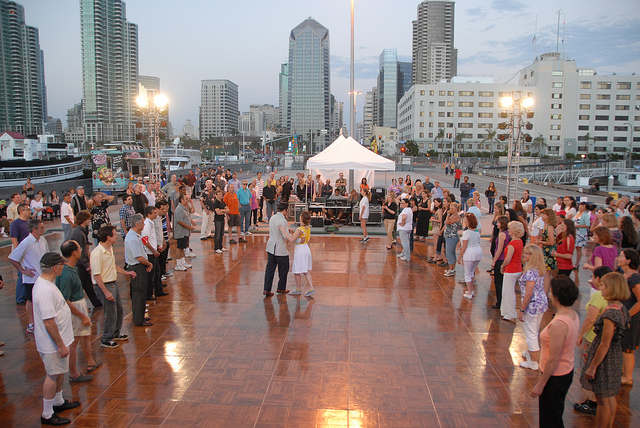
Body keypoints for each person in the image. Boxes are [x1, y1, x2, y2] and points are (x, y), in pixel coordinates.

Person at [32, 252, 80, 426]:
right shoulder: (44, 289)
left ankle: (58, 401)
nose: (63, 267)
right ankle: (46, 413)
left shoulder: (48, 284)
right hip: (52, 344)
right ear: (55, 267)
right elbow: (49, 322)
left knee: (59, 372)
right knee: (52, 375)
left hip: (59, 341)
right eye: (61, 264)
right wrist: (60, 345)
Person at [580, 272, 630, 428]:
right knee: (610, 397)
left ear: (611, 288)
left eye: (602, 285)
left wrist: (593, 366)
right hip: (614, 356)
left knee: (602, 400)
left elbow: (605, 343)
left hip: (605, 359)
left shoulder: (610, 314)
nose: (600, 288)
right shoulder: (621, 308)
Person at [531, 276, 580, 427]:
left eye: (551, 292)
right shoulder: (572, 314)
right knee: (554, 414)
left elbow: (553, 359)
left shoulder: (559, 324)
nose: (549, 295)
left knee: (550, 419)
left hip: (555, 376)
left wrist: (540, 383)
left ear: (557, 296)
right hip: (565, 370)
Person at [57, 240, 99, 382]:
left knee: (86, 335)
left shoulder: (72, 268)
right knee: (74, 341)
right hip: (74, 309)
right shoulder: (66, 273)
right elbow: (66, 299)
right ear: (74, 252)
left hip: (79, 305)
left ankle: (90, 361)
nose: (82, 249)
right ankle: (74, 373)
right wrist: (82, 315)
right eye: (79, 247)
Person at [574, 265, 613, 416]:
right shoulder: (612, 295)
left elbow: (590, 318)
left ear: (599, 279)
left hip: (593, 337)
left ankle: (592, 401)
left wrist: (580, 335)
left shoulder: (598, 296)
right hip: (603, 337)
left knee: (589, 366)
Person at [90, 225, 135, 348]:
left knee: (119, 310)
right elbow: (97, 275)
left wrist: (127, 272)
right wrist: (105, 292)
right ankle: (106, 338)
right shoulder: (97, 253)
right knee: (110, 312)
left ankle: (115, 333)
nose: (117, 236)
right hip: (104, 285)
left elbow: (113, 265)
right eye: (114, 234)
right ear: (108, 237)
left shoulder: (109, 248)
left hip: (112, 283)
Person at [9, 219, 48, 334]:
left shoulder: (43, 240)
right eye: (41, 227)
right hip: (31, 278)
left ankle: (41, 321)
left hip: (43, 276)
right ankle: (31, 324)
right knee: (30, 300)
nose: (43, 229)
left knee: (42, 300)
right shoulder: (27, 242)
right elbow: (12, 258)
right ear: (34, 229)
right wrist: (22, 270)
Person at [518, 244, 549, 370]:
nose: (524, 256)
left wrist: (522, 309)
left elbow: (529, 292)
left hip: (532, 304)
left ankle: (534, 362)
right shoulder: (539, 270)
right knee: (534, 330)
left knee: (530, 332)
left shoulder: (530, 272)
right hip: (541, 302)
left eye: (527, 254)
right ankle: (532, 353)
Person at [68, 211, 102, 309]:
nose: (89, 221)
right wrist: (87, 264)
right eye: (88, 219)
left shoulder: (80, 230)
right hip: (80, 264)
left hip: (81, 263)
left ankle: (96, 302)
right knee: (84, 284)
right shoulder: (79, 232)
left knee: (86, 284)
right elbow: (80, 251)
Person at [126, 214, 154, 326]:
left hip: (140, 266)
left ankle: (140, 315)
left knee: (142, 293)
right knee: (138, 294)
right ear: (137, 224)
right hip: (137, 267)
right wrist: (149, 263)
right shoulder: (132, 238)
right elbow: (138, 257)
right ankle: (138, 319)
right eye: (142, 222)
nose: (144, 224)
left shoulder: (136, 235)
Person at [618, 249, 640, 387]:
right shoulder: (623, 275)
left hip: (631, 318)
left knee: (628, 348)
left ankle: (628, 376)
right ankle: (623, 373)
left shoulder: (634, 279)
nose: (619, 258)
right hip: (623, 315)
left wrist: (627, 316)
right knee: (623, 345)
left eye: (621, 256)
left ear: (628, 260)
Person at [263, 201, 295, 296]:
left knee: (270, 270)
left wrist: (287, 230)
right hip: (280, 249)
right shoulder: (283, 220)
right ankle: (281, 288)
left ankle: (266, 289)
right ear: (285, 210)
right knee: (284, 270)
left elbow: (276, 229)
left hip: (270, 247)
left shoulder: (273, 217)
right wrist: (295, 235)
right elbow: (286, 236)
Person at [500, 221, 525, 323]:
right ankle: (507, 312)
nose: (508, 230)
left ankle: (509, 313)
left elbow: (508, 259)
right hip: (518, 268)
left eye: (510, 229)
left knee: (508, 292)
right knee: (510, 291)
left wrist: (502, 266)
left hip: (510, 269)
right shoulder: (520, 241)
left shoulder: (512, 244)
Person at [142, 207, 166, 300]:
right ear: (149, 214)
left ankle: (158, 291)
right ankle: (149, 294)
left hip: (153, 251)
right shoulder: (147, 224)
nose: (156, 214)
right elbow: (145, 240)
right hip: (150, 253)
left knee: (157, 272)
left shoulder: (151, 223)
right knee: (151, 275)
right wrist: (153, 250)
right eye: (154, 213)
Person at [290, 211, 315, 297]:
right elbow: (301, 237)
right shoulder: (308, 228)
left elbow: (292, 240)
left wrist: (288, 234)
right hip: (306, 249)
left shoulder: (299, 229)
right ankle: (311, 287)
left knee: (297, 271)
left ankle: (298, 289)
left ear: (301, 219)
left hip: (300, 250)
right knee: (305, 270)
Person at [459, 213, 482, 299]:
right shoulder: (477, 232)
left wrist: (459, 257)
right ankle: (471, 290)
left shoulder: (466, 233)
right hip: (478, 252)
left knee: (467, 273)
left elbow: (464, 247)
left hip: (469, 254)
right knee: (472, 272)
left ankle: (469, 292)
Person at [490, 216, 510, 310]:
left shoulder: (502, 234)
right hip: (504, 258)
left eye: (498, 222)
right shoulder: (507, 233)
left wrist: (494, 261)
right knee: (501, 281)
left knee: (498, 282)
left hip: (500, 259)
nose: (496, 224)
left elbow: (499, 249)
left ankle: (499, 302)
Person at [173, 194, 196, 271]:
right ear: (181, 200)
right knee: (179, 248)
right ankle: (178, 264)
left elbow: (188, 216)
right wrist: (190, 227)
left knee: (183, 248)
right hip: (180, 232)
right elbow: (180, 222)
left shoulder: (184, 208)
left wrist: (191, 222)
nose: (187, 201)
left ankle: (183, 262)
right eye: (186, 199)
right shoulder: (179, 209)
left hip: (185, 232)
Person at [443, 202, 462, 277]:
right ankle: (451, 269)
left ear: (456, 209)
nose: (450, 210)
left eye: (452, 208)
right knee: (450, 253)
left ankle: (451, 269)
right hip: (449, 236)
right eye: (450, 208)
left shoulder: (456, 216)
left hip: (452, 237)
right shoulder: (453, 215)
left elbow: (447, 222)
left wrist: (447, 214)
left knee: (450, 253)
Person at [574, 202, 591, 270]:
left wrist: (578, 226)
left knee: (579, 248)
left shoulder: (585, 215)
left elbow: (587, 225)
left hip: (581, 233)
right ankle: (576, 263)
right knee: (575, 248)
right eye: (580, 206)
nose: (581, 207)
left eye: (583, 206)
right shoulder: (577, 213)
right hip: (575, 232)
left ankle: (577, 263)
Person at [212, 189, 229, 254]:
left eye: (221, 194)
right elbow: (218, 212)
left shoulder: (222, 201)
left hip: (222, 219)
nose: (220, 196)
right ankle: (216, 248)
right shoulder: (215, 202)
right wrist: (224, 211)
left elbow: (228, 210)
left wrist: (222, 211)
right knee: (217, 234)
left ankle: (221, 247)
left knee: (221, 234)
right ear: (216, 195)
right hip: (217, 220)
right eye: (219, 194)